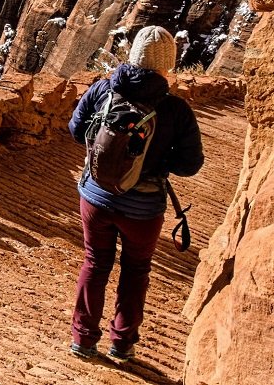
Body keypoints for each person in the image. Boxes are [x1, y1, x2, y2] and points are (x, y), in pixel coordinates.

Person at [67, 26, 204, 362]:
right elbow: (191, 165)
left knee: (95, 263)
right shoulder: (175, 110)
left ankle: (83, 339)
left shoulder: (102, 89)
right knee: (136, 270)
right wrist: (155, 161)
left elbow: (75, 130)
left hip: (95, 197)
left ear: (132, 56)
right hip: (143, 210)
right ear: (167, 64)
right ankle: (122, 343)